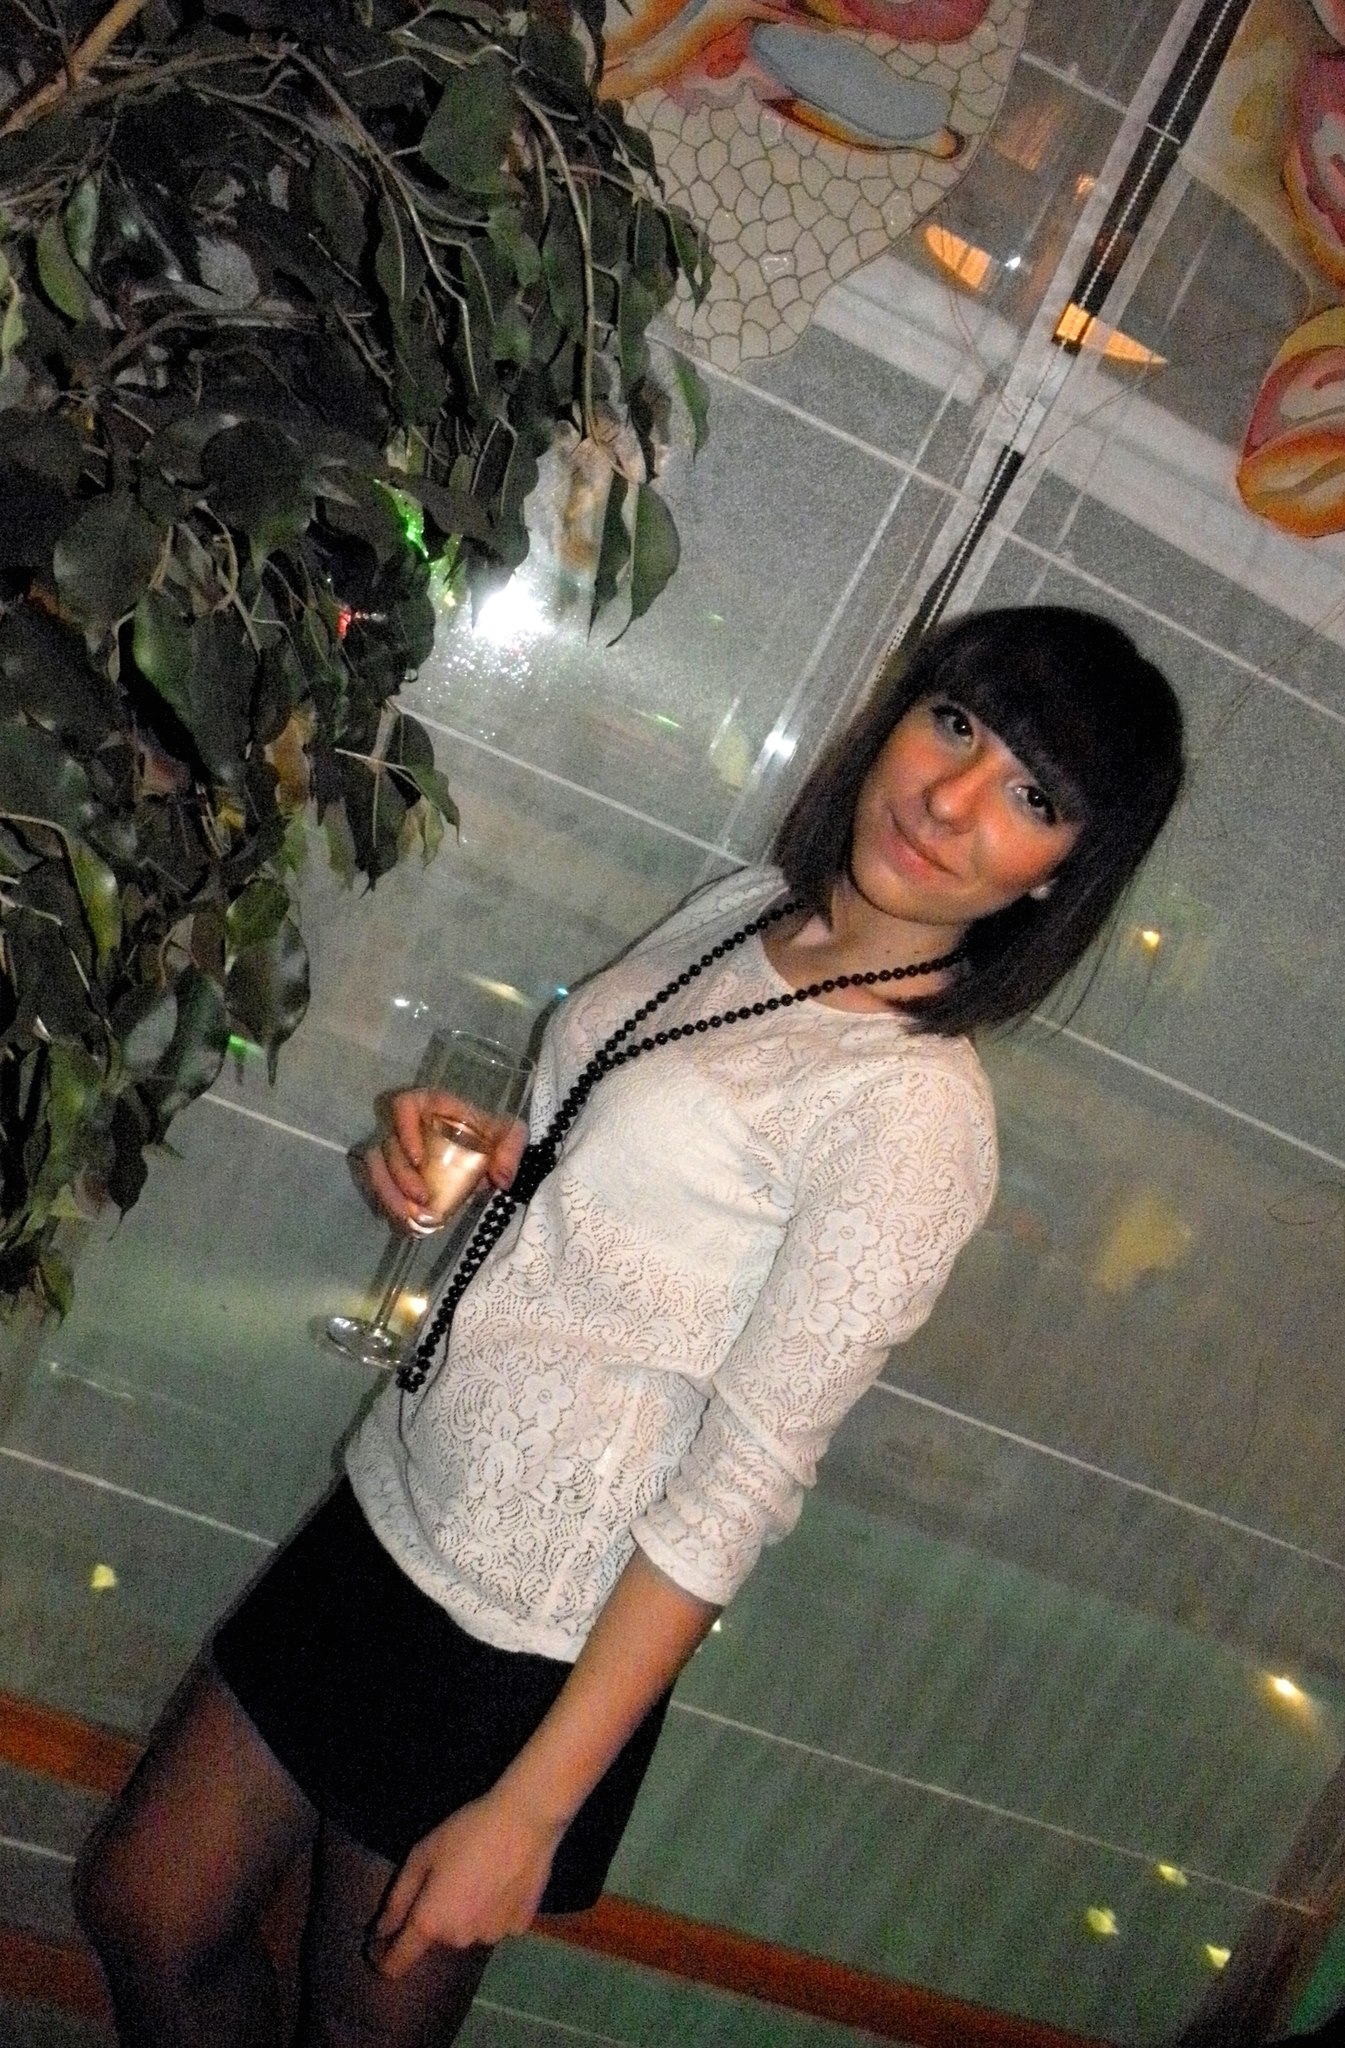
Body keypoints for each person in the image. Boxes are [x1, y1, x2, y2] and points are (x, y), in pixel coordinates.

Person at [75, 605, 1185, 2046]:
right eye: (956, 726)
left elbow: (744, 1478)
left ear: (1062, 874)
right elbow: (608, 1169)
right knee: (146, 1909)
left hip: (529, 1641)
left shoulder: (913, 1114)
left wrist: (531, 1811)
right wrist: (483, 1151)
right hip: (399, 1501)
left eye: (1032, 796)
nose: (951, 799)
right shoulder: (749, 912)